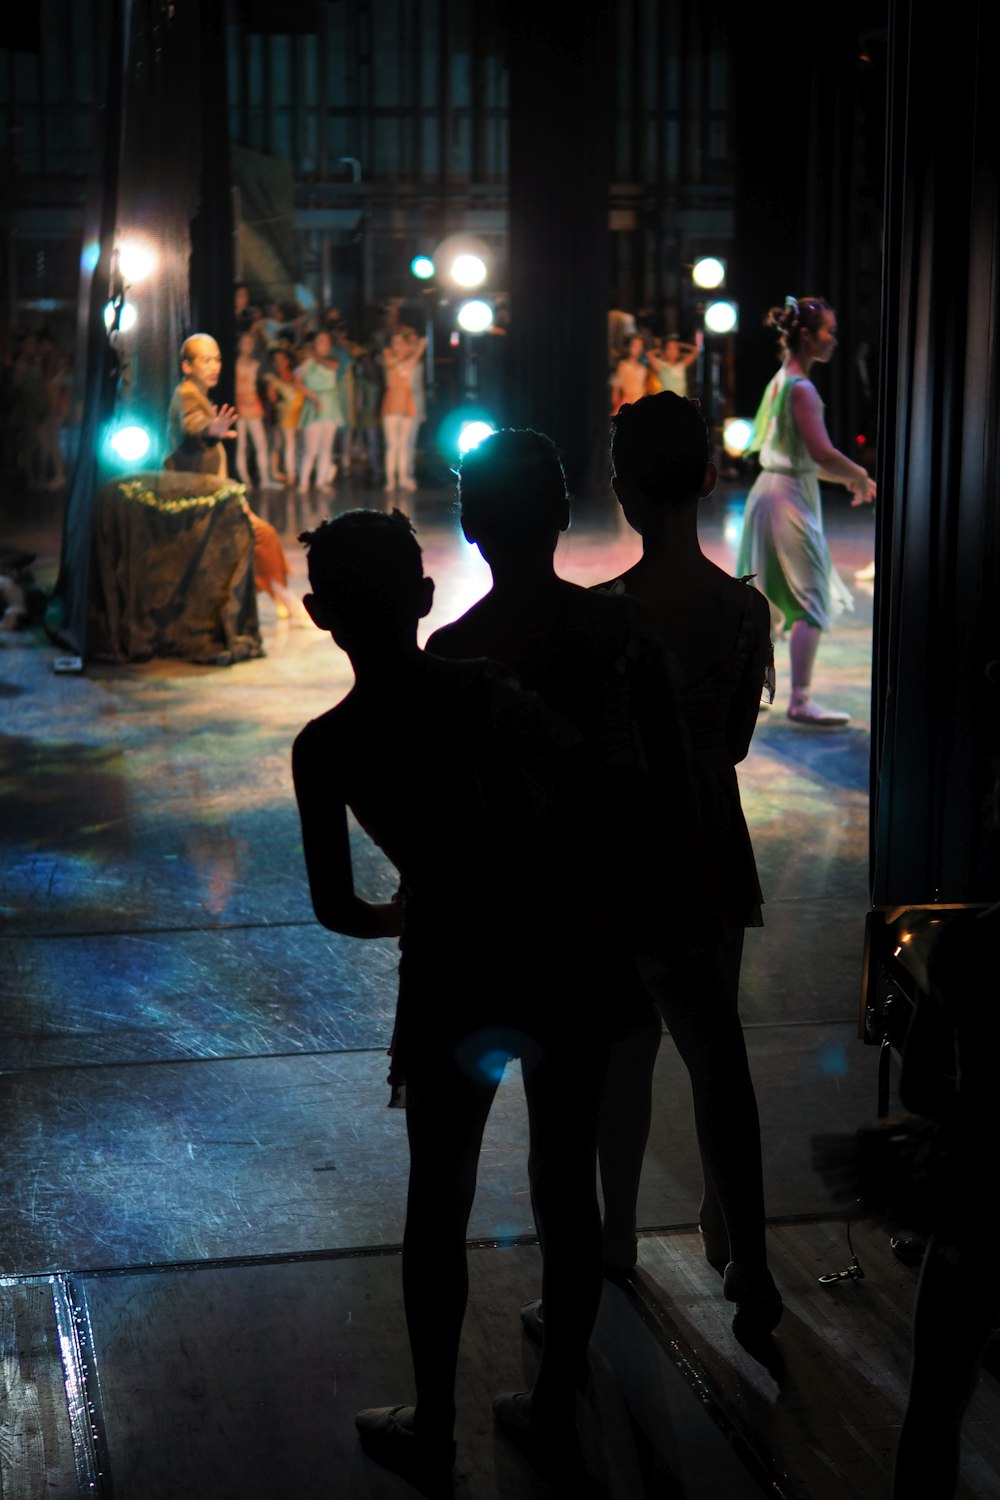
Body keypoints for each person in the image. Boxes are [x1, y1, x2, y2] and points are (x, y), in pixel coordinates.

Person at [293, 509, 619, 1492]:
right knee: (567, 1184)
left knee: (437, 1201)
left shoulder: (329, 748)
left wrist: (416, 912)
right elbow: (585, 785)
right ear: (425, 597)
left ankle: (433, 1425)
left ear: (317, 614)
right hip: (556, 954)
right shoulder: (480, 692)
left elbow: (339, 909)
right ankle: (553, 1401)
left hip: (449, 976)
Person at [592, 391, 782, 1340]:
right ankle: (747, 1253)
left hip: (626, 850)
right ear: (711, 479)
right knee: (721, 1059)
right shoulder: (744, 613)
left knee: (625, 1057)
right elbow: (738, 743)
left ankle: (616, 1240)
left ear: (621, 490)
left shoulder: (603, 620)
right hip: (709, 838)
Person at [736, 295, 876, 725]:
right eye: (828, 331)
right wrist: (861, 475)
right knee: (810, 597)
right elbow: (823, 454)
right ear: (806, 336)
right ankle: (799, 699)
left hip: (773, 491)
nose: (834, 339)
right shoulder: (802, 388)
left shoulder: (782, 381)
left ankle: (750, 690)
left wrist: (852, 478)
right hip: (787, 499)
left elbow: (806, 459)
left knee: (772, 600)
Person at [165, 334, 301, 619]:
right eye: (205, 360)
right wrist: (209, 431)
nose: (214, 366)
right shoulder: (187, 395)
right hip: (200, 499)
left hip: (211, 493)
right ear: (188, 366)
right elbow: (193, 425)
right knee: (261, 535)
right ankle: (284, 598)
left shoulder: (195, 393)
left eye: (217, 359)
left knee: (260, 537)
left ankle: (280, 597)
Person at [381, 329, 426, 492]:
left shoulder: (412, 361)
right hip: (392, 401)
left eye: (402, 342)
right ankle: (391, 479)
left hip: (408, 402)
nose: (399, 346)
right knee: (392, 444)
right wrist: (418, 349)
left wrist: (416, 350)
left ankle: (404, 477)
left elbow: (415, 377)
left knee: (405, 444)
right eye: (396, 343)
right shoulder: (387, 355)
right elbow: (397, 366)